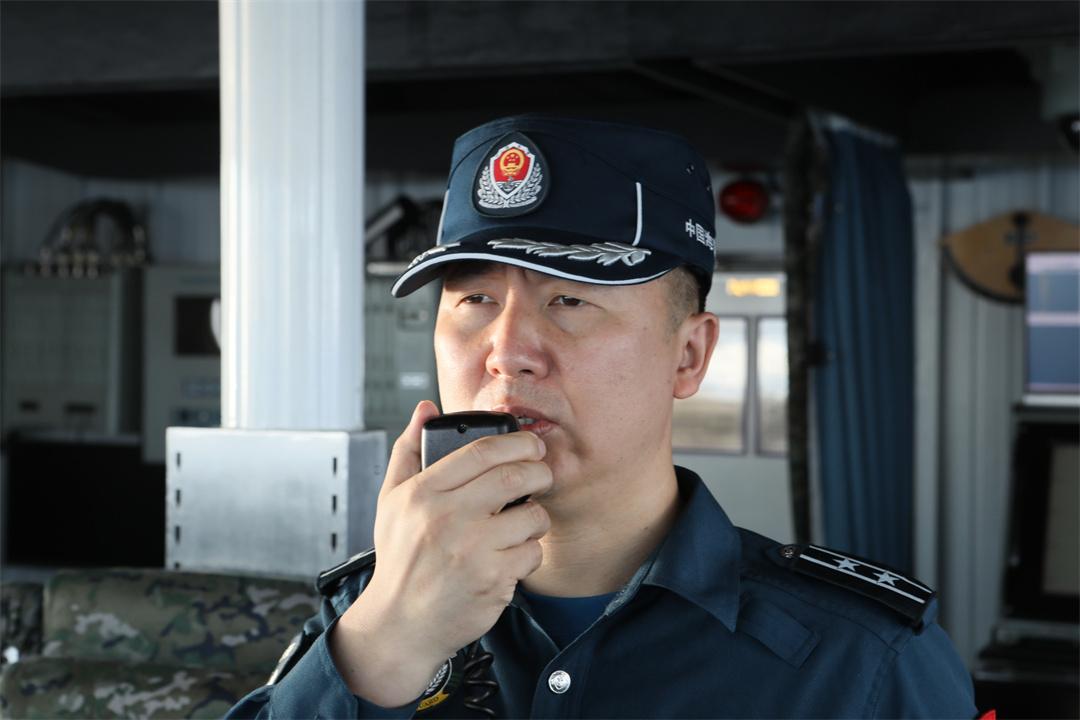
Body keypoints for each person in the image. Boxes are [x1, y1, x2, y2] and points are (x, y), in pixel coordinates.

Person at [227, 115, 978, 718]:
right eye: (475, 299)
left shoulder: (861, 660)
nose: (507, 353)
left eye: (570, 301)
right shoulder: (370, 612)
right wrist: (387, 644)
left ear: (688, 356)